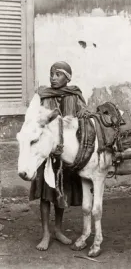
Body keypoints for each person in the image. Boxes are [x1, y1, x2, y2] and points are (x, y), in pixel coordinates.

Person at [29, 61, 89, 251]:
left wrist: (78, 120)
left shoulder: (75, 96)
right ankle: (46, 233)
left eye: (58, 74)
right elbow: (33, 123)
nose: (53, 77)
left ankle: (58, 230)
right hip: (46, 155)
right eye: (51, 74)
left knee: (62, 192)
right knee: (46, 196)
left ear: (67, 77)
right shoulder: (41, 96)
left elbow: (84, 121)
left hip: (67, 155)